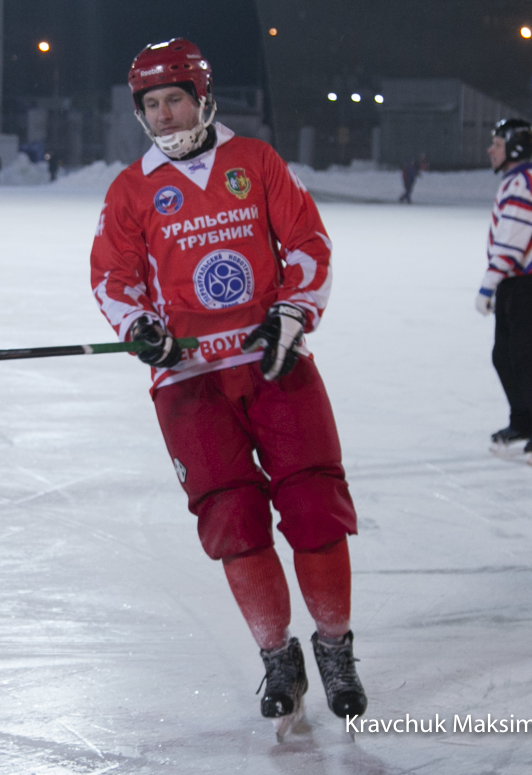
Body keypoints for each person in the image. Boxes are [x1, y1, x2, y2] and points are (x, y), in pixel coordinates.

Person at [89, 38, 367, 737]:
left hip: (272, 361)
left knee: (313, 504)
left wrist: (292, 311)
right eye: (150, 103)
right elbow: (111, 279)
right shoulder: (130, 189)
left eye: (174, 96)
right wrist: (140, 325)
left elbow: (308, 243)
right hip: (188, 381)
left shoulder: (257, 162)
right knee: (233, 523)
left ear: (203, 96)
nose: (163, 112)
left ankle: (334, 646)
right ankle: (279, 656)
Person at [476, 119, 532, 466]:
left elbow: (512, 241)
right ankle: (524, 422)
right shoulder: (516, 181)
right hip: (516, 281)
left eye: (496, 143)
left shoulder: (523, 184)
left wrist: (488, 284)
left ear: (513, 149)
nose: (490, 149)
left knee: (526, 357)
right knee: (505, 355)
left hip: (528, 280)